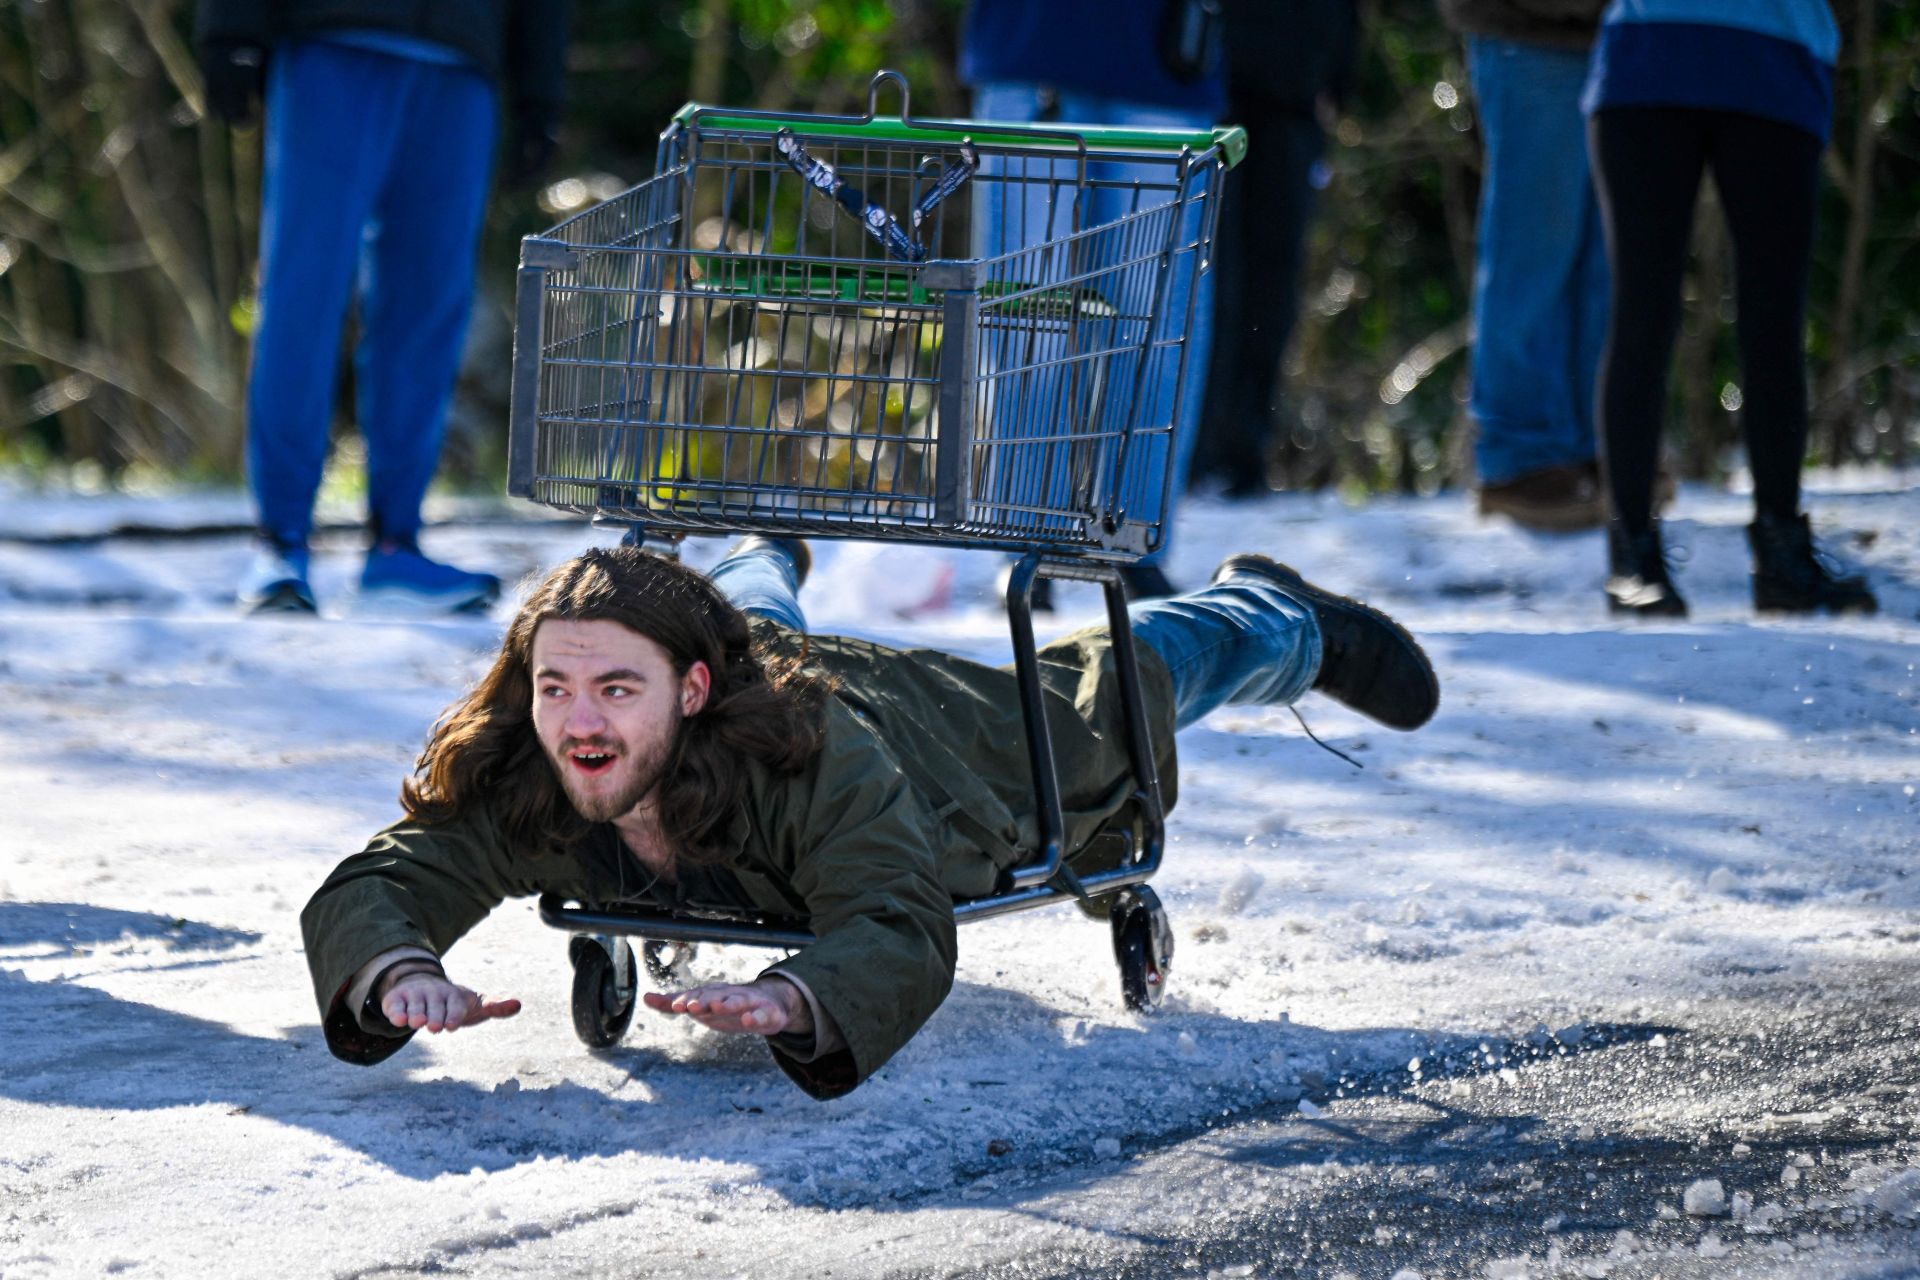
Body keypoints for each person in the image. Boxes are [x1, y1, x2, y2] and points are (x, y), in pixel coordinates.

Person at [302, 537, 1440, 1100]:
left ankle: (1268, 611)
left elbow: (897, 918)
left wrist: (802, 992)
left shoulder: (815, 765)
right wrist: (394, 964)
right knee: (744, 620)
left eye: (612, 689)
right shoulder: (544, 764)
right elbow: (383, 878)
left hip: (932, 741)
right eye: (555, 684)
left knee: (1108, 696)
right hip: (744, 664)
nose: (576, 717)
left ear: (688, 696)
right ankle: (757, 563)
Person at [195, 0, 570, 614]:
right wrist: (230, 29)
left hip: (463, 62)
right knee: (302, 298)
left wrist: (541, 93)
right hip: (332, 43)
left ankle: (396, 548)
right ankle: (280, 546)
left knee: (428, 313)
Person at [1583, 0, 1877, 615]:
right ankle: (1632, 555)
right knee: (1642, 313)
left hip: (1780, 59)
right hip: (1649, 56)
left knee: (1775, 320)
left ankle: (1782, 553)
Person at [961, 0, 1225, 602]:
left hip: (1165, 67)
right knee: (1022, 313)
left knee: (1156, 319)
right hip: (1033, 48)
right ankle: (1022, 536)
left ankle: (1136, 538)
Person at [1442, 0, 1614, 532]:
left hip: (1624, 34)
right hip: (1529, 26)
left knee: (1609, 254)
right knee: (1535, 243)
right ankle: (1520, 456)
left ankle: (1599, 444)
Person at [1190, 0, 1357, 500]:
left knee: (1273, 282)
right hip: (1207, 88)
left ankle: (1243, 456)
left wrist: (1337, 77)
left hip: (1294, 91)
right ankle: (1195, 454)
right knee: (1209, 275)